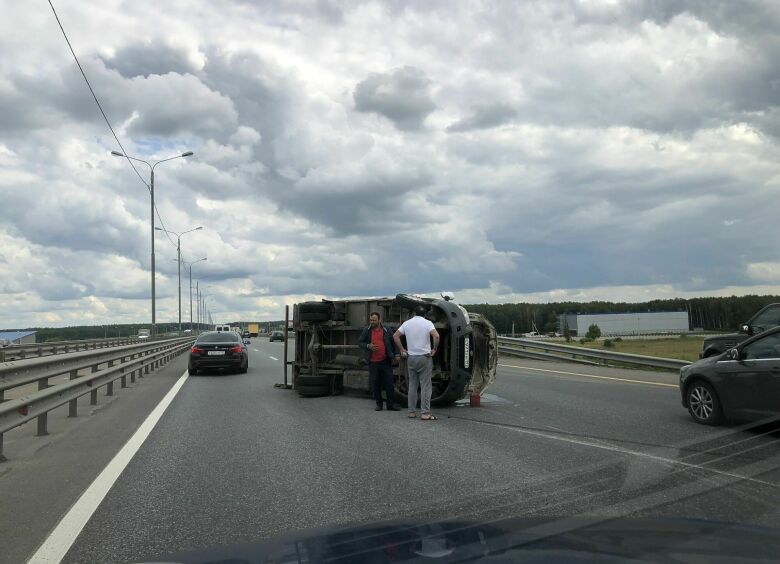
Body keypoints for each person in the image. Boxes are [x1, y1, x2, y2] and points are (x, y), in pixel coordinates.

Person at [394, 305, 440, 421]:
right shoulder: (428, 323)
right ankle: (425, 413)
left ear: (414, 314)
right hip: (424, 358)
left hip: (411, 358)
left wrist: (402, 349)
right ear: (425, 314)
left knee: (412, 386)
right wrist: (434, 349)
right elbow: (436, 336)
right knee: (425, 386)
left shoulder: (407, 323)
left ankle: (411, 412)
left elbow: (395, 336)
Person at [358, 311, 401, 411]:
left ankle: (390, 405)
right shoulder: (367, 330)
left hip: (386, 361)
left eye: (374, 320)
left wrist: (397, 354)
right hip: (373, 362)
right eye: (371, 320)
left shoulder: (386, 329)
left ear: (379, 320)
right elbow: (360, 342)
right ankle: (379, 404)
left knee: (389, 384)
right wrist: (368, 346)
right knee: (375, 384)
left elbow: (393, 342)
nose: (372, 322)